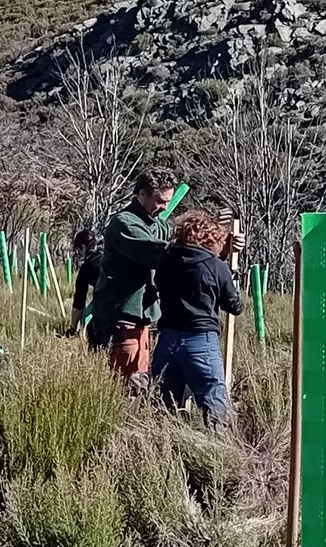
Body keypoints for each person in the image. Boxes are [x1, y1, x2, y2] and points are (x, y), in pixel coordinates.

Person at [89, 168, 244, 388]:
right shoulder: (124, 224)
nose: (164, 207)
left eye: (167, 202)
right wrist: (212, 249)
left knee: (140, 379)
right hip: (120, 318)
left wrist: (222, 246)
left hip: (140, 318)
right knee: (125, 385)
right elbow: (165, 254)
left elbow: (187, 248)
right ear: (141, 194)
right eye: (160, 201)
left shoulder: (158, 223)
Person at [151, 210, 243, 430]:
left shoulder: (166, 260)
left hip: (167, 342)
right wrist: (232, 277)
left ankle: (164, 452)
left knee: (165, 409)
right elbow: (234, 306)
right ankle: (219, 457)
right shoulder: (215, 266)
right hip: (201, 342)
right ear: (210, 238)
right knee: (215, 407)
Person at [65, 228, 102, 336]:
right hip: (130, 297)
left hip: (106, 302)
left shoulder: (87, 267)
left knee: (88, 326)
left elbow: (79, 303)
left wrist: (72, 328)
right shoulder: (109, 251)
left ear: (83, 248)